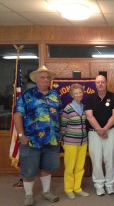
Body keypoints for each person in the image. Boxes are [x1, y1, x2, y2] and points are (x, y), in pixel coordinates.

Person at [14, 65, 62, 206]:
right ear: (36, 79)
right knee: (29, 170)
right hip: (31, 140)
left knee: (47, 167)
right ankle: (29, 195)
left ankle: (46, 192)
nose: (46, 79)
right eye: (42, 77)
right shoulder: (27, 96)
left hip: (51, 140)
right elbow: (17, 115)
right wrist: (21, 135)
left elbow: (58, 116)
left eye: (48, 77)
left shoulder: (55, 96)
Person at [85, 75, 114, 196]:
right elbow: (89, 115)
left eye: (102, 82)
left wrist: (105, 129)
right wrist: (99, 130)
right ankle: (99, 185)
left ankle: (110, 185)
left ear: (106, 83)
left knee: (109, 159)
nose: (100, 84)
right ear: (95, 84)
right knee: (96, 160)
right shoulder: (90, 98)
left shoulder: (113, 97)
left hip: (110, 132)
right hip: (94, 133)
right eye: (98, 82)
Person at [61, 83, 89, 199]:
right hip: (70, 143)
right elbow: (63, 127)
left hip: (83, 142)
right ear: (72, 95)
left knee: (80, 167)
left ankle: (77, 188)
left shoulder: (84, 107)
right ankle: (69, 189)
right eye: (76, 93)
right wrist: (63, 141)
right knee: (69, 167)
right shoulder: (68, 108)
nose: (78, 95)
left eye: (80, 92)